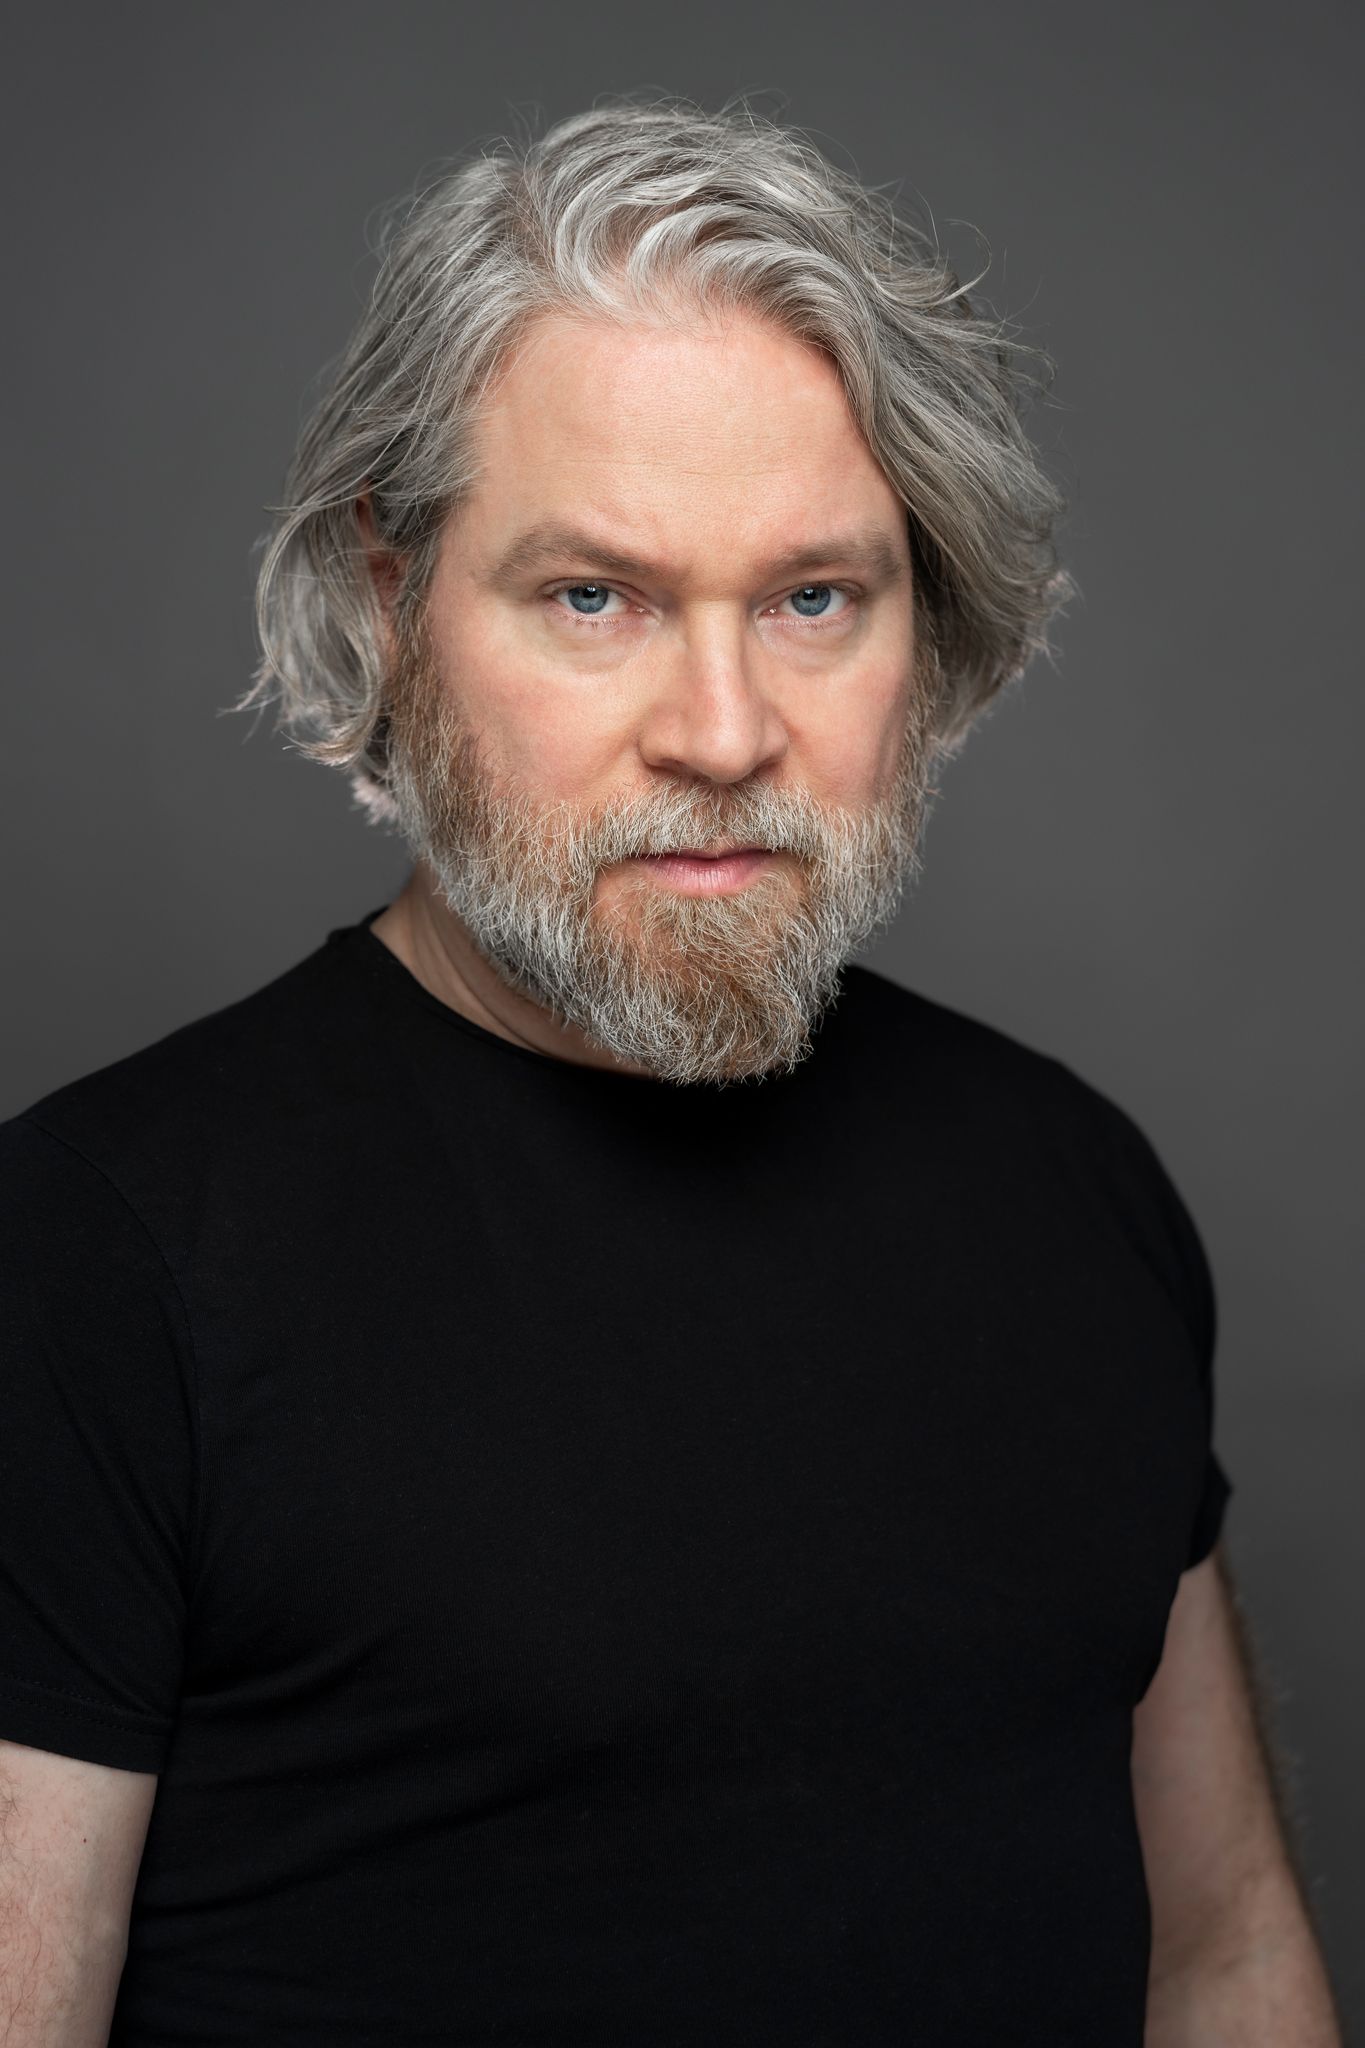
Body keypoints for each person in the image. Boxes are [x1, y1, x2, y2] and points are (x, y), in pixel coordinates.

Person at [0, 93, 1341, 2047]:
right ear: (389, 600)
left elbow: (1218, 1962)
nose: (720, 732)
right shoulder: (94, 1257)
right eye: (593, 597)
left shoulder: (1070, 1183)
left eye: (810, 599)